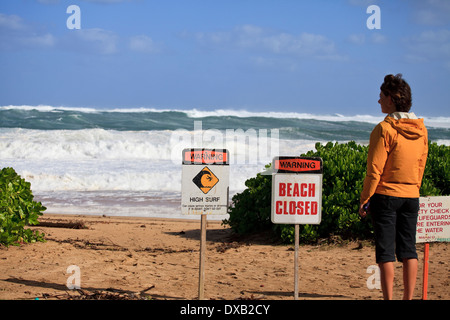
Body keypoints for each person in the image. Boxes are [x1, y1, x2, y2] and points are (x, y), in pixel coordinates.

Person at [359, 74, 428, 300]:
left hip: (386, 196)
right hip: (411, 196)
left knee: (385, 251)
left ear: (391, 99)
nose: (379, 101)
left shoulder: (384, 129)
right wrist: (413, 188)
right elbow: (420, 166)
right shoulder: (421, 130)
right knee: (409, 249)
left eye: (381, 97)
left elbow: (374, 170)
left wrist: (365, 199)